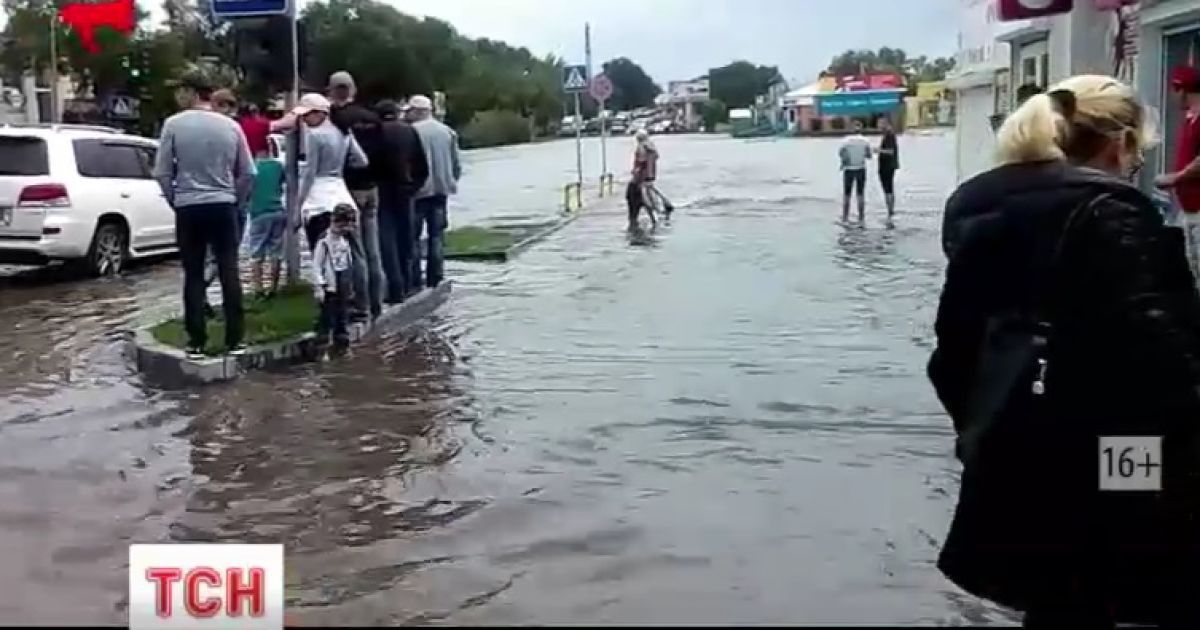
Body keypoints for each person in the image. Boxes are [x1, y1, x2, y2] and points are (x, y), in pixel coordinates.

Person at [930, 75, 1200, 627]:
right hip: (1122, 445)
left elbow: (952, 353)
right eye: (1138, 151)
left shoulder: (983, 211)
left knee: (1058, 597)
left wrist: (987, 430)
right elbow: (1159, 367)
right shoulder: (1112, 212)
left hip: (1013, 441)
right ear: (1118, 143)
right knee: (1137, 578)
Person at [153, 71, 255, 359]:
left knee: (194, 275)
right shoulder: (231, 126)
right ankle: (235, 340)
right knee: (229, 271)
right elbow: (248, 172)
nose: (177, 97)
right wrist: (234, 199)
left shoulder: (173, 125)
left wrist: (177, 200)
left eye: (180, 91)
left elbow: (162, 172)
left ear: (191, 92)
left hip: (189, 207)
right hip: (223, 205)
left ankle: (196, 341)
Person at [328, 71, 387, 320]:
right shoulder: (372, 118)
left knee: (355, 250)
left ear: (331, 91)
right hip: (372, 187)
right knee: (373, 249)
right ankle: (377, 302)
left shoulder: (335, 119)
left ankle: (360, 306)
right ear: (353, 90)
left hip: (348, 188)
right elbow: (382, 152)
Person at [293, 92, 368, 266]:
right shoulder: (343, 132)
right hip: (341, 192)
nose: (304, 120)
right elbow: (361, 160)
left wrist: (298, 208)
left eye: (307, 115)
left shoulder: (315, 135)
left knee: (320, 250)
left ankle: (328, 288)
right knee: (353, 250)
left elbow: (310, 172)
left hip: (319, 197)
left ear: (320, 113)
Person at [375, 99, 429, 302]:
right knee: (406, 238)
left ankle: (394, 288)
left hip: (381, 191)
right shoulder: (409, 131)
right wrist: (413, 187)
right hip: (405, 191)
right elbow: (422, 166)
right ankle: (408, 283)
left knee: (386, 239)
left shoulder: (375, 132)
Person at [408, 94, 461, 290]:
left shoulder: (411, 132)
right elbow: (456, 164)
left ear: (417, 111)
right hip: (441, 190)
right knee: (436, 235)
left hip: (418, 191)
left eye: (410, 111)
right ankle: (436, 277)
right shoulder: (447, 132)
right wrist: (451, 180)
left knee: (412, 236)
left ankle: (414, 278)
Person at [1155, 65, 1200, 290]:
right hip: (1188, 209)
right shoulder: (1189, 119)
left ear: (1182, 89)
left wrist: (1176, 178)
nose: (1174, 97)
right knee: (1191, 269)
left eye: (1175, 90)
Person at [312, 204, 357, 349]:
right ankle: (323, 336)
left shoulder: (345, 240)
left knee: (342, 308)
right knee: (328, 310)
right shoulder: (324, 241)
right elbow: (316, 265)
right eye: (342, 225)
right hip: (330, 281)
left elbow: (348, 258)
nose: (344, 229)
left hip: (343, 276)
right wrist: (319, 285)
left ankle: (341, 334)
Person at [244, 146, 286, 298]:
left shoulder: (251, 167)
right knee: (276, 252)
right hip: (278, 211)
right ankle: (274, 288)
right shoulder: (278, 166)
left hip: (258, 213)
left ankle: (258, 289)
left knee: (256, 253)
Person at [838, 120, 871, 223]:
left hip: (849, 170)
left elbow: (841, 153)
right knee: (860, 194)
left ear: (851, 128)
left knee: (847, 194)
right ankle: (861, 217)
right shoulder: (865, 141)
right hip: (861, 169)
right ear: (861, 129)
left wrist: (844, 161)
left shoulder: (846, 141)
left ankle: (845, 216)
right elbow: (869, 156)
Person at [627, 129, 659, 231]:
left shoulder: (641, 147)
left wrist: (635, 174)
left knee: (637, 199)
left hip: (641, 178)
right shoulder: (652, 148)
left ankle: (634, 223)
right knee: (647, 200)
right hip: (650, 177)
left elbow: (641, 163)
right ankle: (654, 219)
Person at [877, 117, 899, 220]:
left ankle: (890, 212)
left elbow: (890, 151)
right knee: (888, 189)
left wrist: (878, 150)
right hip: (888, 166)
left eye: (880, 124)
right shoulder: (888, 135)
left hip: (887, 166)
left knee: (888, 189)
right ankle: (890, 211)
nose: (878, 126)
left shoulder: (889, 135)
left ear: (885, 124)